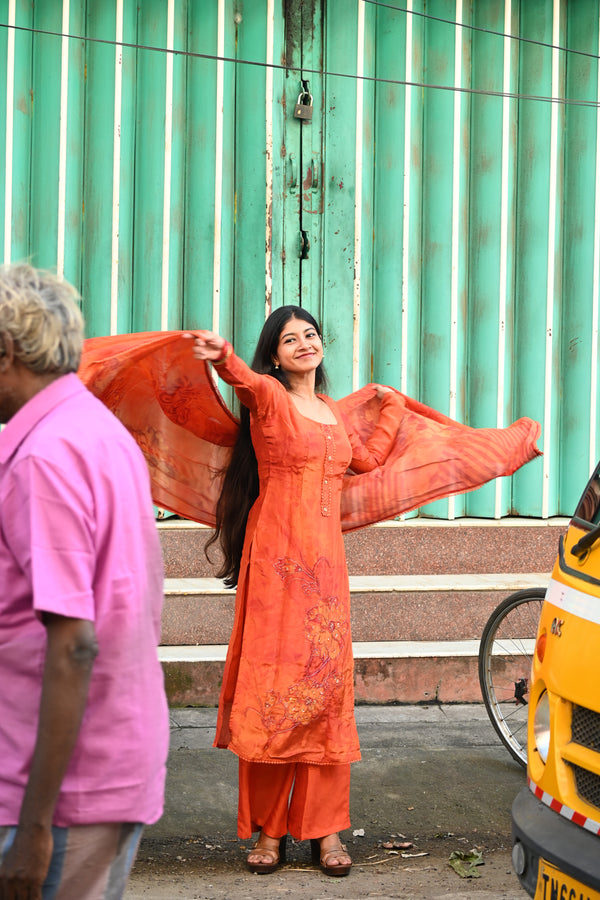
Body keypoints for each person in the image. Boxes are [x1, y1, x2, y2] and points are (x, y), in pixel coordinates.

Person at [189, 306, 404, 877]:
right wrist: (224, 357)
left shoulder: (332, 412)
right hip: (278, 566)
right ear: (276, 355)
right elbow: (248, 383)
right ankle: (269, 830)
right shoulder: (272, 400)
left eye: (310, 334)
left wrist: (394, 407)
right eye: (290, 339)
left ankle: (325, 831)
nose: (305, 344)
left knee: (326, 695)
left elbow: (369, 460)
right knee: (275, 689)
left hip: (326, 571)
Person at [0, 264, 170, 900]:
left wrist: (35, 827)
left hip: (59, 791)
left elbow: (73, 642)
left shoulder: (44, 455)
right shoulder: (96, 431)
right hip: (108, 758)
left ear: (7, 351)